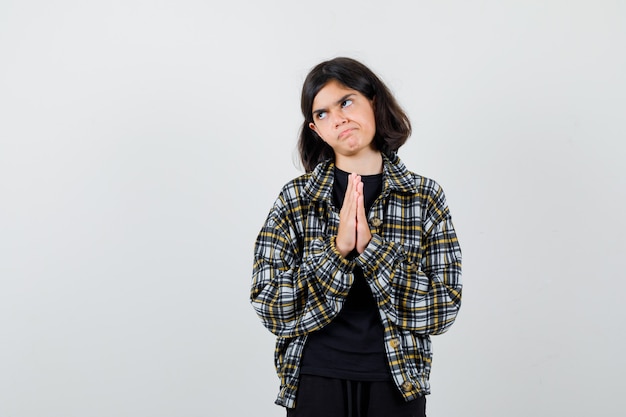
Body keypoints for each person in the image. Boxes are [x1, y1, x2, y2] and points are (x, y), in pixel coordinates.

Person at [250, 57, 462, 417]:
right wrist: (336, 252)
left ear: (373, 102)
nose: (338, 118)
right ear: (315, 129)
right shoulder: (295, 199)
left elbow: (443, 309)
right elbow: (270, 306)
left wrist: (372, 250)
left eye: (346, 101)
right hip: (314, 377)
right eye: (323, 113)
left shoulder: (425, 198)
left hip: (397, 380)